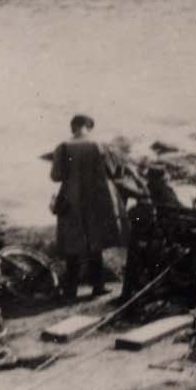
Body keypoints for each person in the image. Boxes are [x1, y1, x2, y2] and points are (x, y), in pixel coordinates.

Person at [50, 114, 127, 301]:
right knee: (95, 243)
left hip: (71, 200)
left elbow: (56, 176)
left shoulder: (63, 146)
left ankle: (70, 291)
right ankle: (98, 286)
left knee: (72, 245)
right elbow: (114, 171)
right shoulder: (100, 144)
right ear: (89, 127)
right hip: (96, 200)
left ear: (73, 127)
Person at [118, 164, 185, 303]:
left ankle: (128, 292)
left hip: (145, 234)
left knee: (134, 257)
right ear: (162, 178)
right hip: (160, 233)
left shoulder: (146, 190)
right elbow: (178, 208)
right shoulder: (165, 190)